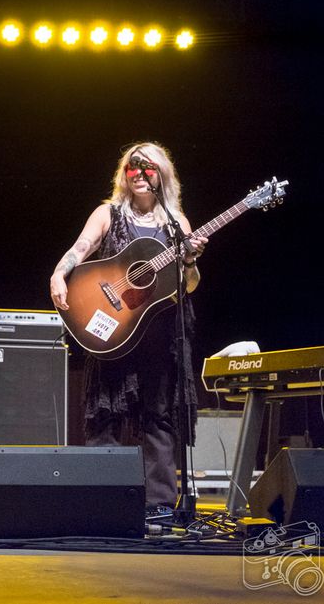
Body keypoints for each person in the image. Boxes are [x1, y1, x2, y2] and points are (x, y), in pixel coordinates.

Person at [49, 142, 209, 514]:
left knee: (159, 415)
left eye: (147, 168)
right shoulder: (108, 213)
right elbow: (81, 248)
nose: (139, 174)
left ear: (162, 175)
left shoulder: (177, 222)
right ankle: (102, 498)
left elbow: (189, 285)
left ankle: (159, 504)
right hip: (115, 325)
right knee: (105, 413)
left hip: (160, 333)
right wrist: (59, 273)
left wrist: (189, 261)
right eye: (132, 168)